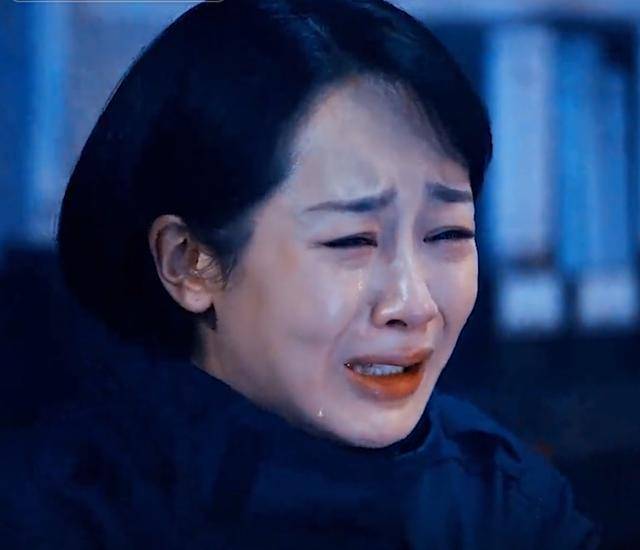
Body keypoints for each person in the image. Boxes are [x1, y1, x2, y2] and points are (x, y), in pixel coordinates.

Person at [0, 0, 600, 547]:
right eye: (352, 240)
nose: (413, 303)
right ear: (189, 263)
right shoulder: (54, 517)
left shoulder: (507, 506)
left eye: (447, 235)